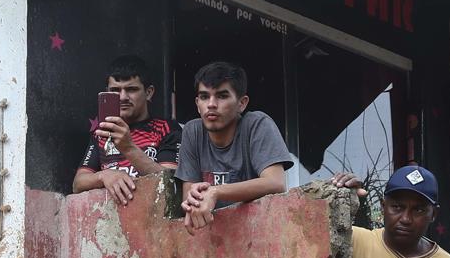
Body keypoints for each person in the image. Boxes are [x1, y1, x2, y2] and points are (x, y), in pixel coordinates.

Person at [176, 61, 292, 233]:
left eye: (222, 96)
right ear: (197, 103)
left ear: (242, 103)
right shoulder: (192, 131)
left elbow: (275, 183)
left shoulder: (257, 124)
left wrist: (216, 192)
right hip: (213, 239)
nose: (211, 104)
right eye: (204, 96)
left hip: (261, 233)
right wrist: (193, 200)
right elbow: (189, 195)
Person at [71, 54, 180, 205]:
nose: (123, 97)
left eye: (131, 89)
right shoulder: (102, 132)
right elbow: (78, 184)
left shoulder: (167, 128)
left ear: (149, 92)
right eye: (115, 90)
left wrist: (128, 148)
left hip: (153, 218)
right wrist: (104, 176)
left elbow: (171, 182)